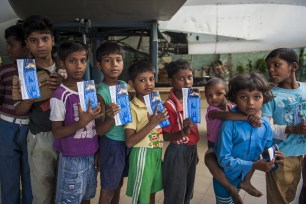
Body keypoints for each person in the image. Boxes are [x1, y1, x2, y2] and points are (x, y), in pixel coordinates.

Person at [214, 72, 284, 204]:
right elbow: (224, 159)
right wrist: (253, 165)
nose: (251, 103)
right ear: (234, 98)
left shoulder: (265, 125)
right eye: (243, 97)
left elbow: (265, 149)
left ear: (264, 98)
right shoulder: (229, 125)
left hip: (243, 176)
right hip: (225, 177)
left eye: (257, 97)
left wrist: (273, 159)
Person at [14, 15, 63, 204]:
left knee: (65, 189)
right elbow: (19, 110)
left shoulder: (67, 65)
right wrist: (28, 100)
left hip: (68, 135)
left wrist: (65, 83)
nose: (40, 45)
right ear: (27, 43)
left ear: (53, 40)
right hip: (40, 137)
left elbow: (82, 96)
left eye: (45, 39)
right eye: (34, 41)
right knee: (42, 192)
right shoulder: (24, 74)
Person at [50, 40, 101, 204]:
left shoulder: (89, 90)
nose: (79, 66)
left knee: (87, 197)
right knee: (69, 200)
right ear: (62, 63)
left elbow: (94, 125)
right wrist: (81, 122)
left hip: (90, 154)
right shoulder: (60, 95)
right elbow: (57, 132)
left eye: (83, 60)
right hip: (72, 158)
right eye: (73, 61)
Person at [204, 77, 264, 204]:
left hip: (232, 147)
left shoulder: (232, 107)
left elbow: (258, 112)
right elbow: (227, 116)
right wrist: (250, 117)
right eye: (209, 95)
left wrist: (256, 116)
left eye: (218, 93)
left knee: (254, 154)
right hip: (215, 148)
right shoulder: (212, 111)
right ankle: (229, 188)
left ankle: (246, 181)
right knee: (208, 160)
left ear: (227, 93)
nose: (213, 98)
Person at [262, 48, 306, 204]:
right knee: (279, 200)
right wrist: (292, 129)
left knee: (295, 195)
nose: (271, 70)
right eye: (269, 67)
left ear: (293, 67)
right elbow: (264, 129)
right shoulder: (269, 96)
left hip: (304, 154)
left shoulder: (305, 88)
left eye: (276, 64)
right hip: (282, 157)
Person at [125, 60, 168, 204]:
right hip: (142, 154)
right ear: (132, 84)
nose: (148, 84)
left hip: (155, 152)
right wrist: (153, 122)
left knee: (151, 193)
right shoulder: (132, 107)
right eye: (142, 80)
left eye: (151, 79)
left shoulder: (156, 103)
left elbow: (162, 128)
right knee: (141, 197)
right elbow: (130, 142)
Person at [0, 24, 32, 204]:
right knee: (8, 175)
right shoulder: (3, 70)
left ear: (25, 45)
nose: (8, 49)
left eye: (12, 44)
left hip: (30, 128)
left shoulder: (38, 72)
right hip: (6, 127)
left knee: (30, 176)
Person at [95, 41, 130, 204]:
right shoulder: (100, 93)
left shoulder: (124, 86)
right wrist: (111, 117)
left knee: (118, 183)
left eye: (118, 59)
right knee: (108, 188)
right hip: (111, 144)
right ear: (99, 65)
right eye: (108, 60)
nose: (114, 64)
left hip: (126, 141)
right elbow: (100, 130)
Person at [161, 59, 199, 204]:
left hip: (190, 150)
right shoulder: (168, 106)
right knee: (175, 194)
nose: (187, 82)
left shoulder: (192, 100)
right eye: (181, 78)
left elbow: (194, 133)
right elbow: (164, 135)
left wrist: (193, 152)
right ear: (171, 81)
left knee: (187, 192)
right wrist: (183, 132)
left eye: (190, 77)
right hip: (177, 152)